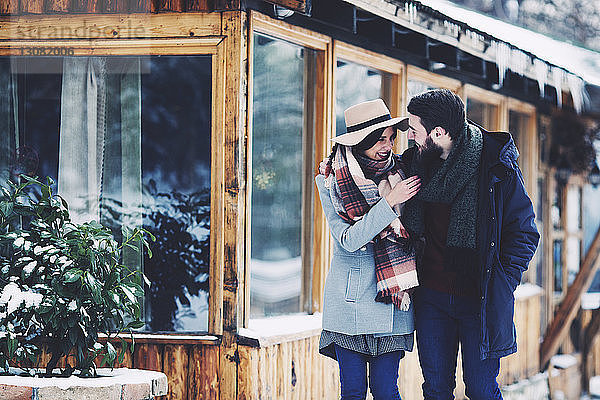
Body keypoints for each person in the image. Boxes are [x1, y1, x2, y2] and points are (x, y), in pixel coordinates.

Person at [399, 89, 540, 399]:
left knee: (480, 390)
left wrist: (503, 280)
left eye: (414, 130)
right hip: (432, 299)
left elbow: (525, 231)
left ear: (439, 132)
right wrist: (337, 166)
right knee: (436, 390)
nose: (409, 137)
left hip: (480, 300)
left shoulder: (494, 165)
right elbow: (373, 167)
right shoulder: (415, 162)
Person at [316, 98, 421, 400]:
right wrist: (388, 204)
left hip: (393, 299)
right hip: (350, 305)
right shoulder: (330, 181)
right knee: (353, 392)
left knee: (386, 390)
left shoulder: (403, 173)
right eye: (379, 140)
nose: (387, 146)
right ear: (360, 142)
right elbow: (348, 240)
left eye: (390, 138)